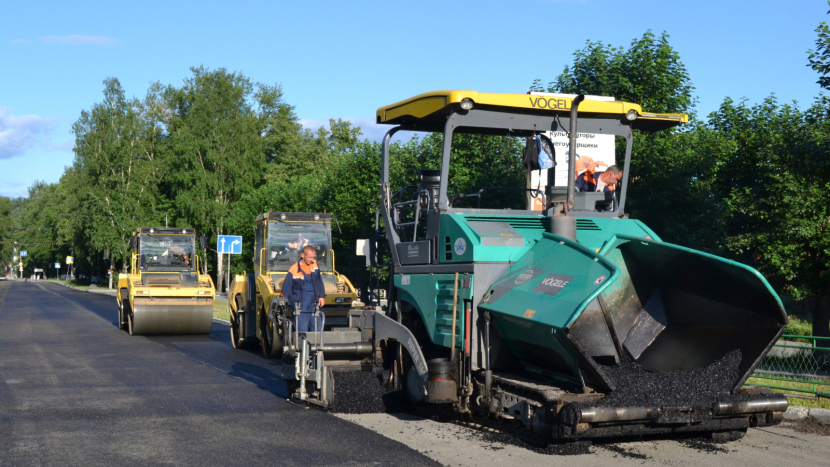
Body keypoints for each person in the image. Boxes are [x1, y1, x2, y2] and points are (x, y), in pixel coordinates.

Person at [281, 245, 326, 333]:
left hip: (314, 305)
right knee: (302, 332)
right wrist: (282, 300)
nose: (312, 259)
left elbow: (319, 281)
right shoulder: (294, 269)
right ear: (303, 255)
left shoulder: (315, 265)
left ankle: (315, 346)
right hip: (301, 306)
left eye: (313, 257)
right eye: (310, 257)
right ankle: (301, 347)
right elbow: (286, 288)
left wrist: (321, 296)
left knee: (317, 330)